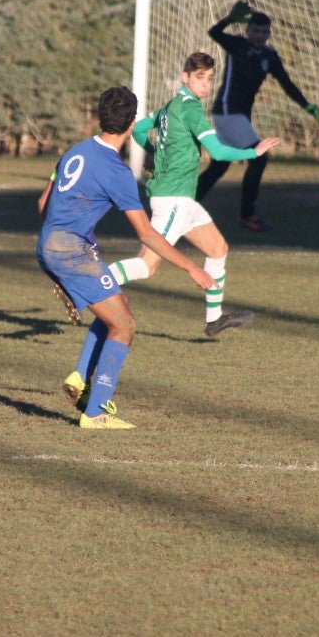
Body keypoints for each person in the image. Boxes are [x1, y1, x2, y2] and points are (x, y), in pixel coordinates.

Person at [37, 86, 216, 430]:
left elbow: (42, 205)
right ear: (133, 123)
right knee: (125, 325)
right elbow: (147, 234)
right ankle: (96, 412)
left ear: (100, 116)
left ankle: (81, 382)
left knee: (117, 310)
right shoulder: (116, 172)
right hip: (71, 251)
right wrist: (192, 266)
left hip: (55, 244)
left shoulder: (75, 151)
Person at [108, 52, 280, 337]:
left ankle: (214, 320)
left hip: (182, 200)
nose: (206, 84)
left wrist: (153, 151)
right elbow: (219, 152)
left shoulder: (169, 108)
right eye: (200, 78)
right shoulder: (190, 110)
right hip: (174, 199)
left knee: (217, 249)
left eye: (210, 78)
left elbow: (138, 128)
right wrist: (254, 151)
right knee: (147, 266)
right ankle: (89, 284)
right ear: (185, 77)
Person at [196, 0, 319, 231]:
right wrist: (229, 19)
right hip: (227, 111)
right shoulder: (236, 45)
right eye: (255, 30)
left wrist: (307, 105)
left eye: (264, 31)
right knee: (259, 157)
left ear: (268, 33)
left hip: (239, 115)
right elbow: (214, 32)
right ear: (247, 30)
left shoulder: (270, 56)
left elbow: (286, 84)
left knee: (220, 165)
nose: (259, 35)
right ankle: (247, 215)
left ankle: (184, 207)